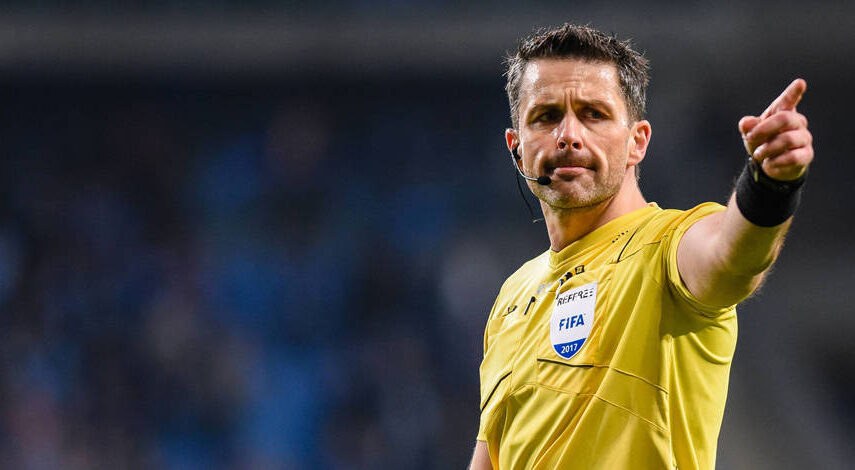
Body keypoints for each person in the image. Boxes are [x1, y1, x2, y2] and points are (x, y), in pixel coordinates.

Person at [469, 23, 813, 470]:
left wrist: (768, 184)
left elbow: (731, 258)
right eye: (546, 116)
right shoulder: (512, 297)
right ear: (516, 148)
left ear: (637, 142)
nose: (568, 134)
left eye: (594, 114)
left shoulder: (667, 247)